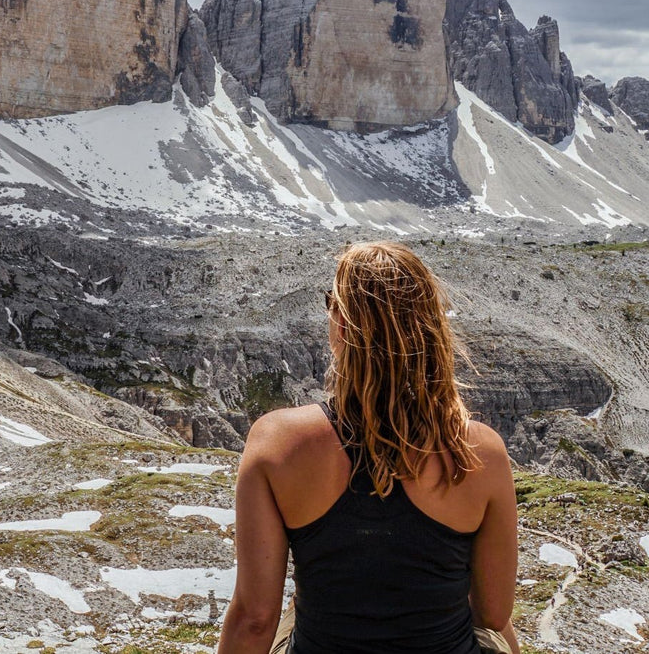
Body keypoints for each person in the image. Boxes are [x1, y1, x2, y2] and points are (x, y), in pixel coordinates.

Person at [218, 241, 520, 654]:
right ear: (431, 329)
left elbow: (254, 620)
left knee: (294, 609)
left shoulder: (277, 440)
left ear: (342, 325)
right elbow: (492, 615)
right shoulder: (480, 450)